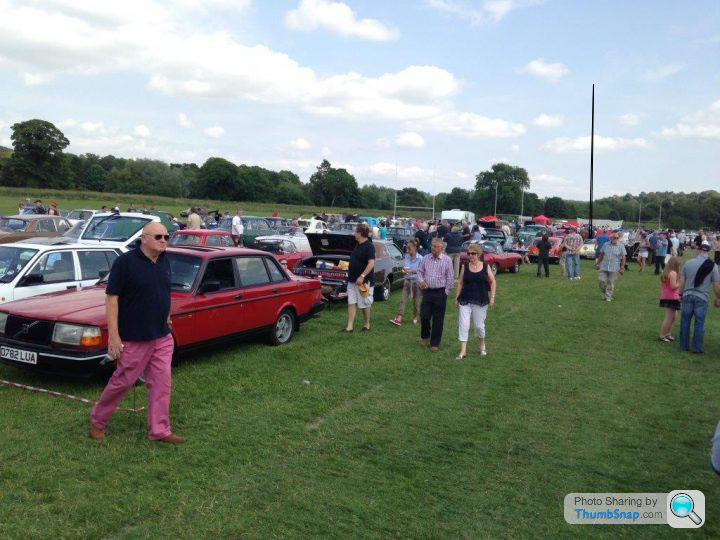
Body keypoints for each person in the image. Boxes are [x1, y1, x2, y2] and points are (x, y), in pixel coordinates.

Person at [89, 222, 185, 444]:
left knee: (162, 383)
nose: (164, 240)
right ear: (145, 239)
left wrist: (167, 315)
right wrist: (114, 335)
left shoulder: (164, 260)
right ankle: (98, 421)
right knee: (123, 381)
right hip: (134, 337)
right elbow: (112, 298)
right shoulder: (125, 263)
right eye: (159, 237)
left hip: (161, 335)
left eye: (166, 237)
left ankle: (159, 430)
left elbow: (163, 291)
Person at [455, 243, 496, 359]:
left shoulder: (485, 266)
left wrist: (492, 297)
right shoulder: (465, 266)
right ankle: (463, 351)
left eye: (473, 254)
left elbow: (493, 282)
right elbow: (460, 282)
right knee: (464, 325)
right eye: (468, 253)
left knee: (479, 326)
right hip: (465, 299)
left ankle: (482, 345)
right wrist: (456, 298)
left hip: (480, 300)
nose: (470, 256)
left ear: (478, 254)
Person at [678, 241, 720, 353]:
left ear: (698, 250)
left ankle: (683, 345)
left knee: (685, 321)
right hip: (702, 297)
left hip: (687, 295)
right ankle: (696, 348)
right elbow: (716, 286)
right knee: (700, 323)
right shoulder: (713, 266)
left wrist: (680, 294)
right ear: (709, 251)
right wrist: (718, 298)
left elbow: (682, 281)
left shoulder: (688, 263)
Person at [417, 237, 455, 352]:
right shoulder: (426, 258)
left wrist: (446, 292)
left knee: (438, 319)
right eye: (432, 246)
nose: (432, 248)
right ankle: (425, 337)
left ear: (441, 248)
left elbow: (450, 277)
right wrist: (421, 281)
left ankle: (435, 343)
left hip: (440, 292)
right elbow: (419, 271)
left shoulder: (447, 260)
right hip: (427, 292)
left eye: (435, 246)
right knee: (424, 316)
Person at [341, 223, 375, 333]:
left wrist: (362, 276)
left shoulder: (369, 246)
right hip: (352, 280)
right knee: (351, 302)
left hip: (364, 281)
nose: (354, 233)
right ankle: (349, 327)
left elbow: (371, 264)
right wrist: (344, 265)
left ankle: (367, 324)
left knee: (365, 303)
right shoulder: (357, 245)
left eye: (355, 231)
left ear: (360, 233)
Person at [389, 240, 423, 326]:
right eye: (407, 248)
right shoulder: (406, 257)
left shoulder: (421, 258)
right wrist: (403, 270)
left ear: (415, 248)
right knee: (403, 300)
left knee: (416, 301)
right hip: (407, 281)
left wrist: (413, 271)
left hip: (416, 282)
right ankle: (399, 318)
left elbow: (422, 271)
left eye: (409, 248)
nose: (407, 250)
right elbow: (404, 268)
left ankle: (415, 317)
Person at [595, 232, 626, 301]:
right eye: (614, 238)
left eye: (617, 238)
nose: (615, 239)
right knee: (601, 281)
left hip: (614, 267)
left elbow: (624, 257)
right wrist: (597, 263)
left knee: (611, 283)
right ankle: (604, 293)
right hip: (604, 266)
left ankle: (608, 297)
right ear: (611, 238)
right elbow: (601, 254)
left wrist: (622, 267)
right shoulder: (606, 244)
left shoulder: (621, 246)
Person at [658, 256, 681, 342]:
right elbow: (673, 286)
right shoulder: (673, 273)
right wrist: (681, 282)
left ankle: (668, 334)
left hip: (666, 296)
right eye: (678, 265)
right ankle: (662, 335)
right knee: (669, 317)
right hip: (672, 297)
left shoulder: (666, 272)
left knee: (673, 317)